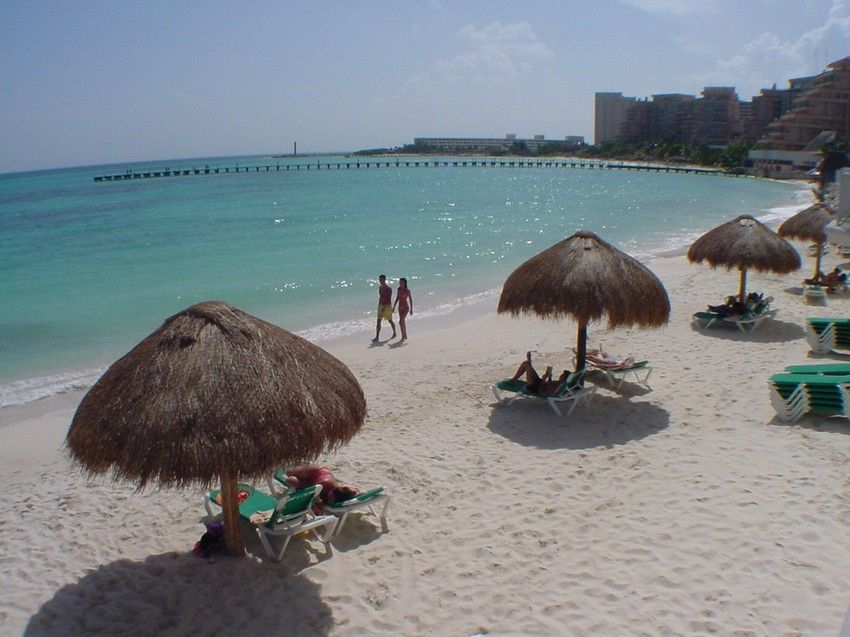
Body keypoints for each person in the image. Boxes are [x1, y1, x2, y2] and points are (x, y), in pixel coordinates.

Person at [284, 464, 359, 505]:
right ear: (333, 491)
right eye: (331, 497)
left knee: (291, 480)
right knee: (289, 473)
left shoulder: (339, 495)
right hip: (317, 472)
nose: (330, 500)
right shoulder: (326, 483)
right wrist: (319, 501)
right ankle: (300, 465)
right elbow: (313, 493)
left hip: (312, 482)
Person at [372, 274, 396, 342]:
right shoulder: (380, 287)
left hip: (387, 306)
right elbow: (381, 296)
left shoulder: (388, 288)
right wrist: (379, 305)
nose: (380, 281)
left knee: (390, 320)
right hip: (381, 305)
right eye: (379, 279)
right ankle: (377, 337)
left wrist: (385, 307)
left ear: (384, 279)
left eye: (381, 279)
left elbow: (388, 298)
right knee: (378, 321)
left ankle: (394, 332)